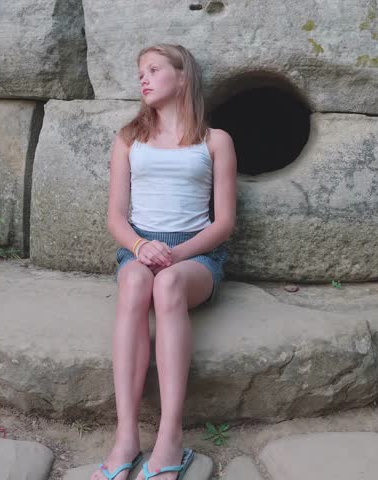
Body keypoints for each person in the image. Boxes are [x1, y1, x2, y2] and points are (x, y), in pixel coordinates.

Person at [96, 44, 237, 480]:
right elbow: (116, 218)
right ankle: (125, 438)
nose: (144, 78)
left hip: (195, 255)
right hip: (138, 248)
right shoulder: (129, 139)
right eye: (141, 71)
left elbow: (224, 223)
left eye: (154, 69)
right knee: (138, 283)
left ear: (182, 77)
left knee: (168, 284)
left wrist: (176, 254)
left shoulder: (215, 141)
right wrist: (140, 248)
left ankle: (170, 437)